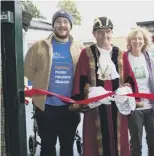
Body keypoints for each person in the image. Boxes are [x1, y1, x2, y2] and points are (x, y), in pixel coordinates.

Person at [70, 16, 135, 156]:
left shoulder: (121, 54)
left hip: (117, 110)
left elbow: (129, 79)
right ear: (94, 34)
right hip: (95, 110)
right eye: (100, 32)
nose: (104, 35)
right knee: (95, 146)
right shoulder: (86, 53)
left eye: (107, 31)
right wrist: (91, 93)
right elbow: (80, 81)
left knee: (119, 145)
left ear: (112, 33)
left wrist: (126, 90)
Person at [24, 10, 83, 156]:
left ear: (70, 25)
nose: (62, 25)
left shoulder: (79, 48)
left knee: (67, 148)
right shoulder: (39, 46)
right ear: (53, 25)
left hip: (70, 108)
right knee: (47, 148)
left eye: (65, 22)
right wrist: (41, 82)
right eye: (58, 21)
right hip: (46, 108)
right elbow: (28, 71)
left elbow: (83, 75)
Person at [123, 27, 154, 156]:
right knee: (135, 145)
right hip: (134, 108)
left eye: (140, 38)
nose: (137, 41)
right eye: (134, 38)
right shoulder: (124, 58)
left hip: (151, 107)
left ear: (144, 41)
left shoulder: (150, 58)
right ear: (130, 41)